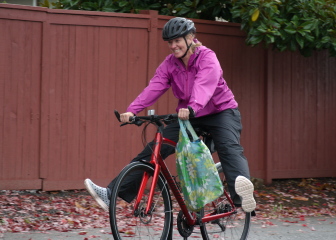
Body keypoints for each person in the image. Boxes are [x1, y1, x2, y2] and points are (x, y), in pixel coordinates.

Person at [84, 17, 256, 214]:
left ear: (191, 37)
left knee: (228, 147)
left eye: (177, 41)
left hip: (221, 112)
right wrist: (133, 110)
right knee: (154, 149)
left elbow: (204, 85)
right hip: (189, 115)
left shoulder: (207, 57)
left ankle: (243, 196)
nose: (173, 46)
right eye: (170, 42)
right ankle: (111, 194)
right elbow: (154, 87)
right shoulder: (170, 64)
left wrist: (192, 107)